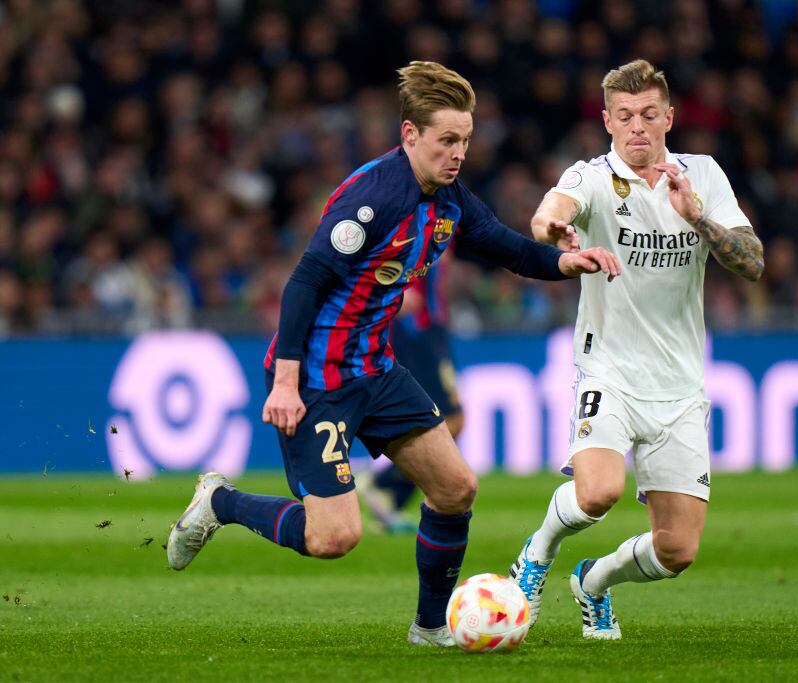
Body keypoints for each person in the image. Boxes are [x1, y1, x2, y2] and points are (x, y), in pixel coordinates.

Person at [166, 61, 620, 647]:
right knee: (334, 538)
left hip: (376, 369)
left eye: (465, 140)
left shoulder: (450, 198)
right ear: (411, 135)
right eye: (446, 140)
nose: (458, 153)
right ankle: (219, 502)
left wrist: (566, 263)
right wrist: (285, 382)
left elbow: (508, 247)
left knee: (456, 489)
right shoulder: (374, 198)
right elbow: (304, 283)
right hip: (318, 378)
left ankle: (430, 629)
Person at [508, 59, 763, 640]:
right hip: (610, 372)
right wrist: (559, 234)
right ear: (607, 121)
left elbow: (752, 263)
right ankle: (537, 553)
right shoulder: (592, 176)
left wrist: (698, 218)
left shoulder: (701, 175)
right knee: (598, 492)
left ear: (669, 117)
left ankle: (593, 583)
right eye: (624, 117)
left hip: (679, 388)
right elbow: (548, 213)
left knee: (678, 550)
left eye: (649, 115)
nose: (638, 128)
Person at [360, 256, 463, 533]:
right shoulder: (420, 220)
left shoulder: (449, 218)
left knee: (451, 420)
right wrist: (399, 295)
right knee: (449, 419)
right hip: (417, 333)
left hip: (432, 331)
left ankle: (390, 495)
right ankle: (384, 485)